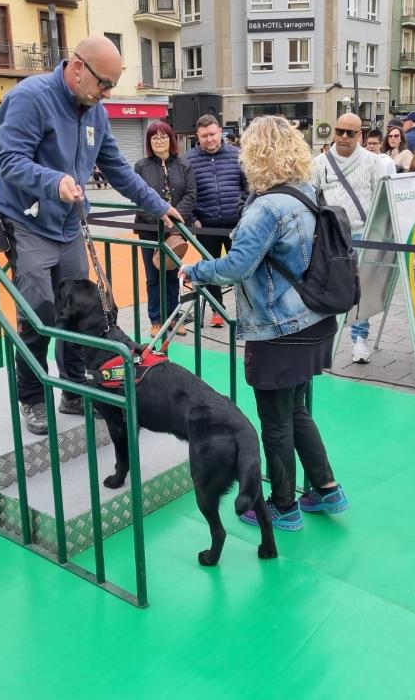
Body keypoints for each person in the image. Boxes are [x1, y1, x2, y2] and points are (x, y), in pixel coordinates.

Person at [0, 35, 183, 434]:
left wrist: (159, 207)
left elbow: (117, 169)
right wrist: (55, 181)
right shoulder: (31, 98)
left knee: (80, 310)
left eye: (113, 84)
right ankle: (31, 397)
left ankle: (74, 389)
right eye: (104, 83)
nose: (107, 92)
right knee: (39, 310)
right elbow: (8, 161)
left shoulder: (95, 110)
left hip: (68, 224)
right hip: (27, 223)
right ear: (78, 67)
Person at [181, 115, 348, 530]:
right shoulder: (308, 193)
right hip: (316, 321)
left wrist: (197, 270)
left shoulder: (266, 207)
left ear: (256, 155)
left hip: (278, 329)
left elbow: (238, 265)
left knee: (276, 421)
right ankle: (327, 488)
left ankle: (284, 506)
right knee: (297, 411)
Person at [312, 111, 395, 364]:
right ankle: (325, 337)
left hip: (361, 233)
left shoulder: (374, 162)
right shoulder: (319, 163)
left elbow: (383, 198)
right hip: (329, 235)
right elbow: (312, 197)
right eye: (340, 131)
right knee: (325, 286)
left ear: (360, 135)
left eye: (350, 133)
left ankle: (360, 339)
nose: (344, 137)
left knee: (360, 289)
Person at [133, 122, 196, 336]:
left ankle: (173, 317)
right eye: (154, 138)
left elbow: (190, 194)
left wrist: (174, 219)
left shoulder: (183, 165)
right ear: (149, 142)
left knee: (172, 275)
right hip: (149, 230)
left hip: (176, 231)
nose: (159, 141)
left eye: (163, 137)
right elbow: (139, 198)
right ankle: (156, 319)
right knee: (153, 275)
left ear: (171, 139)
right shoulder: (141, 166)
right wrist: (160, 219)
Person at [186, 114, 248, 328]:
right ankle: (216, 310)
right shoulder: (189, 159)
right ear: (197, 136)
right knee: (211, 268)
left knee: (242, 267)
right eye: (204, 136)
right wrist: (193, 218)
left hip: (236, 224)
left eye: (212, 134)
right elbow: (186, 192)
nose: (209, 139)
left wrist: (244, 213)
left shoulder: (237, 155)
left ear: (220, 131)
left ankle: (245, 309)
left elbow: (248, 187)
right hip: (206, 225)